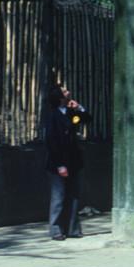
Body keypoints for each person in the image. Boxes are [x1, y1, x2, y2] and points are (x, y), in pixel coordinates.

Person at [44, 83, 90, 240]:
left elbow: (85, 119)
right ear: (60, 97)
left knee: (73, 195)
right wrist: (60, 165)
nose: (68, 91)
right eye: (64, 90)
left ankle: (73, 229)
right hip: (59, 163)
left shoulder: (70, 113)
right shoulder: (53, 117)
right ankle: (56, 229)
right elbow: (52, 142)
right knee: (59, 196)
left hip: (73, 161)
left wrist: (79, 108)